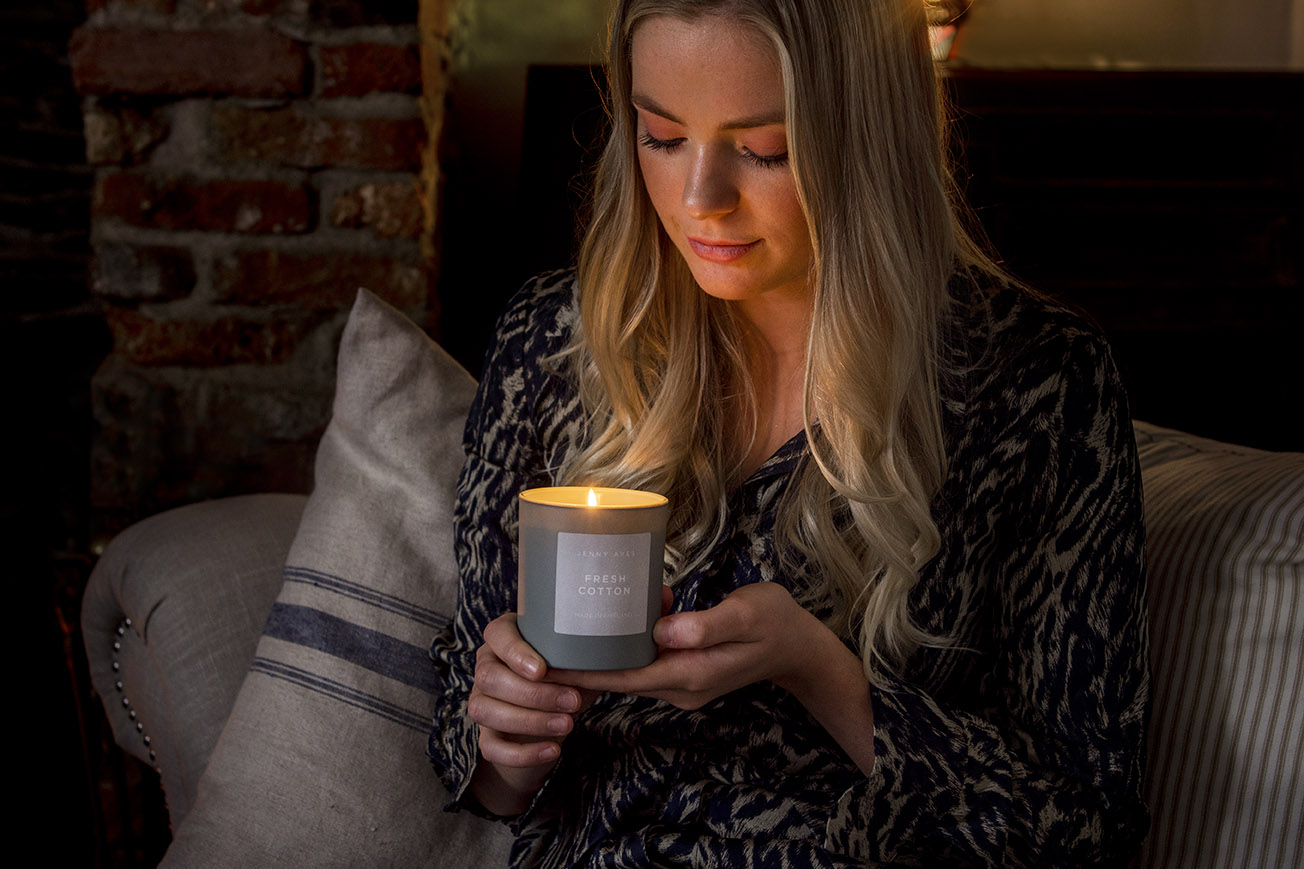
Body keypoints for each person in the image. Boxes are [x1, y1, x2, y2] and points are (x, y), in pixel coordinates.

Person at [428, 0, 1150, 865]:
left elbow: (1086, 831)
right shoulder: (556, 344)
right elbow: (477, 769)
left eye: (763, 149)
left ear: (867, 136)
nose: (702, 199)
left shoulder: (1037, 381)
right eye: (661, 136)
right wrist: (510, 738)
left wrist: (821, 670)